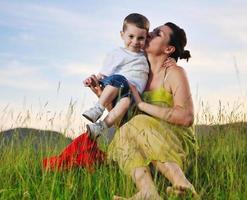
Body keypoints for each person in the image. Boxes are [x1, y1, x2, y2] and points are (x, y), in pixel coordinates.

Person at [86, 22, 198, 199]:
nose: (150, 34)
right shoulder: (139, 77)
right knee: (124, 130)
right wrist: (102, 96)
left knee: (139, 121)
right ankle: (148, 192)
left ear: (168, 49)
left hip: (176, 144)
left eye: (158, 33)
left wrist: (142, 105)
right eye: (152, 31)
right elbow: (123, 122)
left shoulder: (174, 72)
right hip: (147, 148)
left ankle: (183, 184)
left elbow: (186, 117)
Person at [83, 13, 150, 139]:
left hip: (130, 94)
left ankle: (101, 126)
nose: (135, 41)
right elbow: (103, 74)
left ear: (146, 38)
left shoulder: (145, 55)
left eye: (140, 38)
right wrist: (92, 80)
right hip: (115, 85)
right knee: (120, 79)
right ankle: (98, 108)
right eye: (131, 36)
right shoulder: (117, 53)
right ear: (122, 35)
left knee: (125, 103)